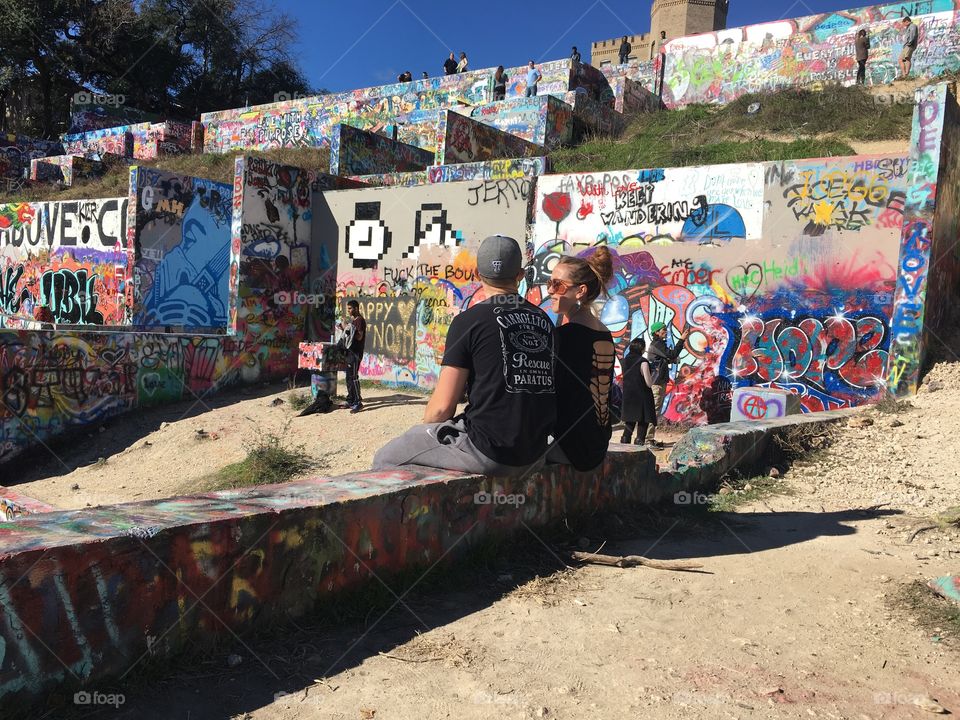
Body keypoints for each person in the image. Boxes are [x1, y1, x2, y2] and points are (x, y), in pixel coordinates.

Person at [372, 235, 556, 475]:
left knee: (387, 456)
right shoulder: (544, 321)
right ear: (520, 275)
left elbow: (441, 410)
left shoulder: (468, 321)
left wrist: (427, 433)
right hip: (534, 453)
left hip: (490, 453)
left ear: (478, 275)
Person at [546, 249, 616, 471]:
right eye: (549, 283)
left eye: (558, 285)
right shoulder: (604, 333)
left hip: (569, 448)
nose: (549, 291)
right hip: (596, 445)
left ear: (580, 291)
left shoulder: (566, 337)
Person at [645, 321, 689, 448]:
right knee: (654, 410)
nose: (665, 331)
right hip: (657, 382)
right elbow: (672, 354)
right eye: (663, 329)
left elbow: (668, 358)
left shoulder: (659, 345)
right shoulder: (657, 344)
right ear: (656, 332)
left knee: (655, 410)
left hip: (660, 381)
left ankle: (649, 438)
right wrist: (681, 340)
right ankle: (648, 440)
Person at [619, 336, 657, 447]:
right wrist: (655, 372)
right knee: (643, 422)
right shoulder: (643, 362)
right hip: (642, 396)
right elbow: (649, 383)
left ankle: (624, 445)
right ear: (641, 348)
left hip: (628, 396)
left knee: (629, 422)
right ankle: (638, 445)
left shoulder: (624, 361)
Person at [339, 300, 366, 413]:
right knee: (348, 377)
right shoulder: (354, 321)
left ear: (356, 308)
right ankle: (350, 399)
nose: (349, 311)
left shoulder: (359, 320)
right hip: (350, 353)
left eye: (350, 308)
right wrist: (344, 329)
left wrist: (348, 328)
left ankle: (358, 402)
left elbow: (359, 337)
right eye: (348, 308)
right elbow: (350, 335)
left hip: (356, 353)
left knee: (353, 377)